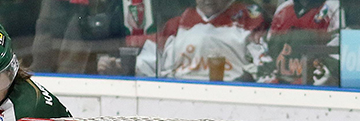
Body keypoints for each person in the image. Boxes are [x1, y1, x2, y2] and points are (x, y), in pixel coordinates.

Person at [130, 0, 268, 81]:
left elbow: (265, 71)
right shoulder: (175, 26)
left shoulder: (250, 23)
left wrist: (243, 85)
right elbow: (145, 67)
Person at [256, 0, 341, 86]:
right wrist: (271, 83)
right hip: (282, 88)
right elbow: (268, 52)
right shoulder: (283, 9)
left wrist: (306, 82)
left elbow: (334, 58)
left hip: (314, 90)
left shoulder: (333, 9)